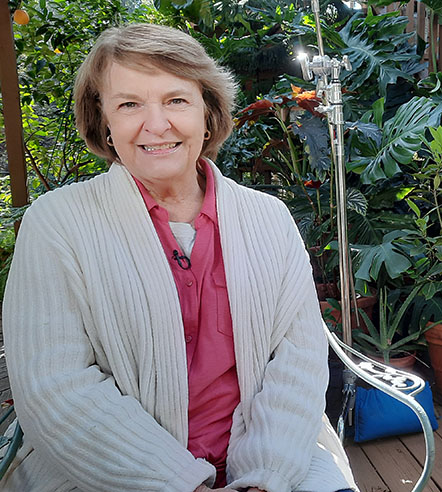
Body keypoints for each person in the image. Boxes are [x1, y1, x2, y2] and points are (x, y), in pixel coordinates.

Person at [1, 23, 357, 492]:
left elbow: (299, 360)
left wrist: (264, 477)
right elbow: (56, 386)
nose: (156, 124)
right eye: (129, 104)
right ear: (103, 121)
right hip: (106, 471)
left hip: (272, 457)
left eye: (176, 100)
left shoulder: (268, 217)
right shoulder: (58, 222)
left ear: (207, 114)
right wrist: (180, 482)